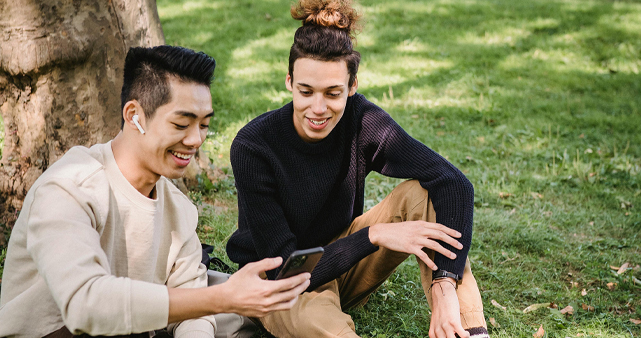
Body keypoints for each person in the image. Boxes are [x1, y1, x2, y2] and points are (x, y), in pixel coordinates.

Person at [0, 45, 310, 338]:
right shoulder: (71, 187)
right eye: (181, 124)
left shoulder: (179, 210)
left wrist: (209, 308)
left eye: (203, 125)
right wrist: (220, 298)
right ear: (134, 115)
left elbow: (194, 310)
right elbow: (86, 303)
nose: (195, 140)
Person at [225, 1, 490, 337]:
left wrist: (445, 285)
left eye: (333, 93)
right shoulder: (253, 147)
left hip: (342, 260)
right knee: (318, 323)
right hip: (280, 282)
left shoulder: (361, 119)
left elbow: (454, 184)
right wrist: (374, 235)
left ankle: (466, 329)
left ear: (351, 87)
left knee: (422, 193)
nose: (317, 108)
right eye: (305, 91)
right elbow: (285, 271)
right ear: (290, 82)